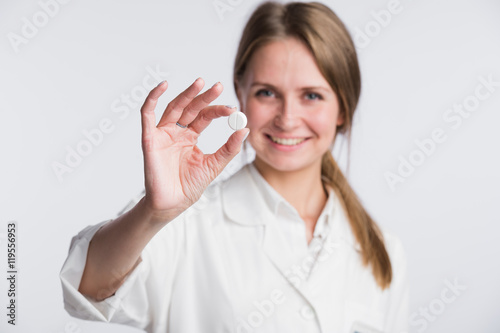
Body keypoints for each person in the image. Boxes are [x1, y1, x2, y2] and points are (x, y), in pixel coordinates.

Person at [60, 1, 409, 332]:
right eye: (267, 93)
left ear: (344, 108)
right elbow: (88, 285)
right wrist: (152, 213)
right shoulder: (185, 225)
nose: (287, 119)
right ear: (241, 93)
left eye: (312, 96)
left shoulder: (383, 251)